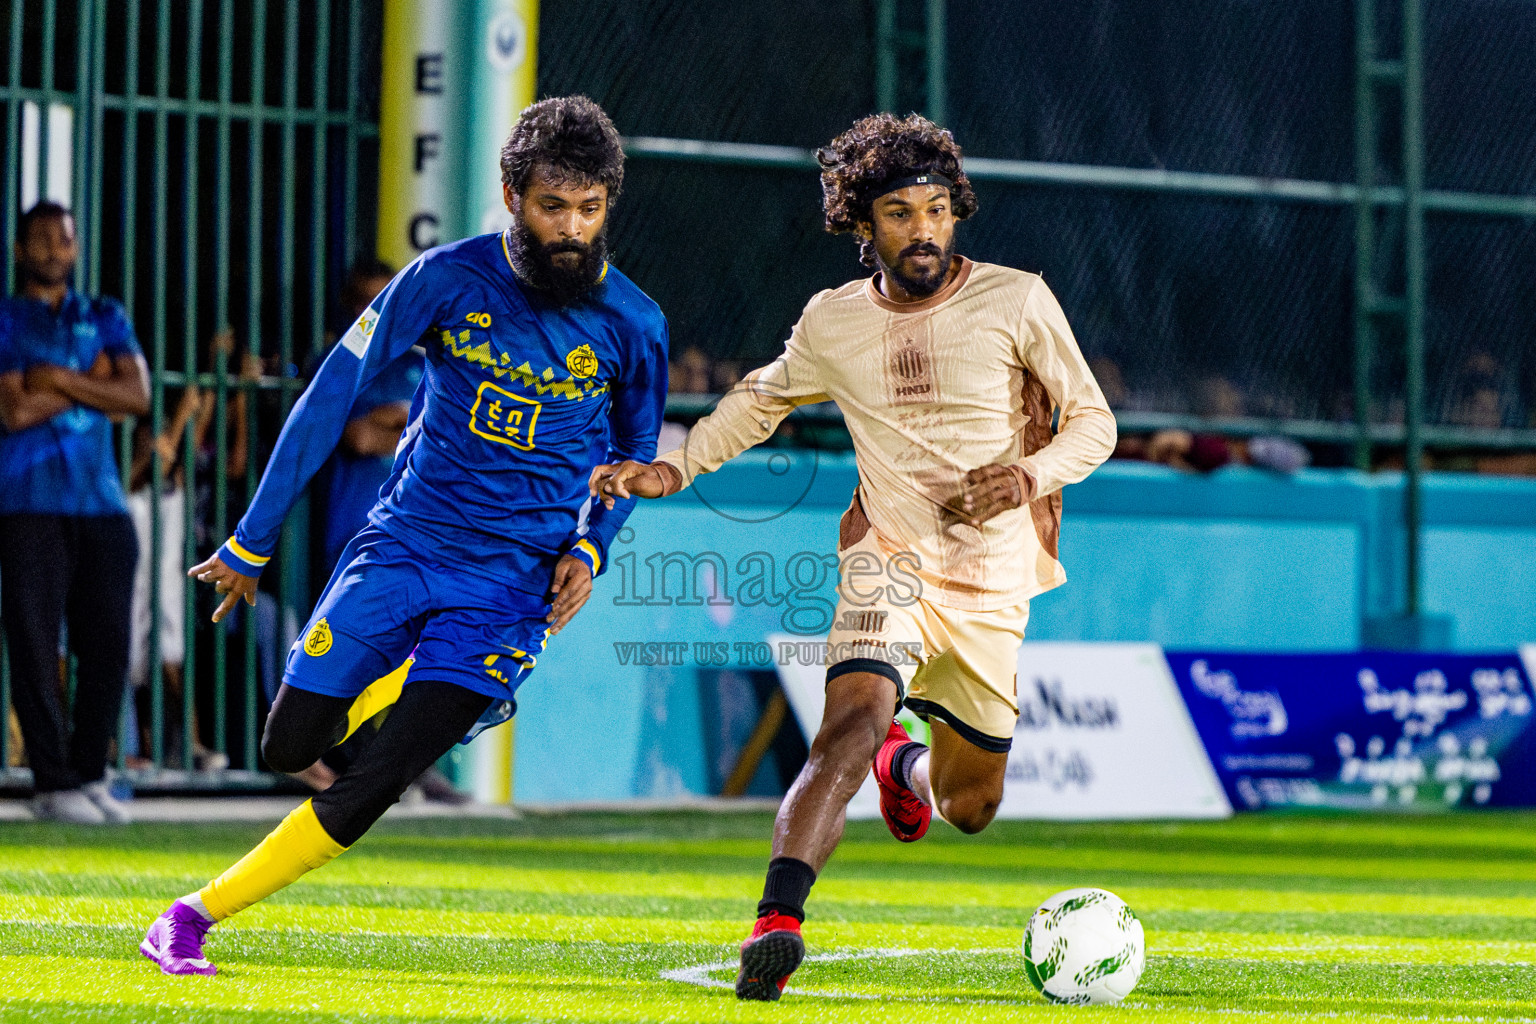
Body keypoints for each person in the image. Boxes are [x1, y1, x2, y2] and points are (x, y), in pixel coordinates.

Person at [139, 95, 667, 976]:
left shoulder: (634, 323)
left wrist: (591, 545)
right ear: (511, 194)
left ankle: (190, 917)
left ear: (609, 202)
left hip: (515, 585)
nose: (572, 230)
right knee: (289, 747)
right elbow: (330, 396)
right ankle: (411, 688)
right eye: (552, 207)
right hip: (406, 546)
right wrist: (250, 540)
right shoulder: (442, 280)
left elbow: (635, 453)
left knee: (378, 779)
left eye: (590, 208)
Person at [592, 114, 1117, 1000]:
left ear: (958, 215)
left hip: (994, 582)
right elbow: (761, 400)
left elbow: (1093, 422)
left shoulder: (1018, 298)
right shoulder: (832, 322)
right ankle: (777, 923)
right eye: (901, 212)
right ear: (860, 224)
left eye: (938, 210)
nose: (923, 229)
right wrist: (674, 465)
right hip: (888, 561)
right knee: (844, 726)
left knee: (970, 807)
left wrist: (1025, 476)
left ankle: (903, 768)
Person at [0, 201, 151, 823]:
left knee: (108, 644)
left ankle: (89, 773)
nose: (52, 250)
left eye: (62, 239)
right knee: (35, 644)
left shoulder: (104, 313)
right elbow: (11, 412)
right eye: (39, 240)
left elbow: (137, 396)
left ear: (76, 247)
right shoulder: (6, 318)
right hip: (27, 502)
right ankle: (52, 782)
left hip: (102, 503)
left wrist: (53, 380)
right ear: (19, 250)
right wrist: (93, 384)